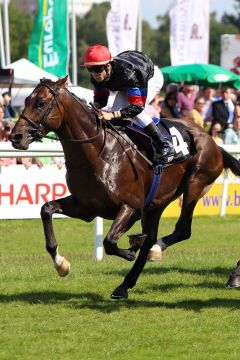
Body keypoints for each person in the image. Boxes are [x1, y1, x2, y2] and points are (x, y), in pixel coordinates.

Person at [82, 44, 174, 164]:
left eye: (98, 69)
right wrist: (95, 108)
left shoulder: (128, 73)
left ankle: (163, 143)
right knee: (113, 116)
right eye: (90, 69)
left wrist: (113, 115)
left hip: (150, 77)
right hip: (124, 82)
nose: (94, 74)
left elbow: (137, 107)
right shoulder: (96, 77)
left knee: (132, 112)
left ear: (108, 66)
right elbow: (102, 99)